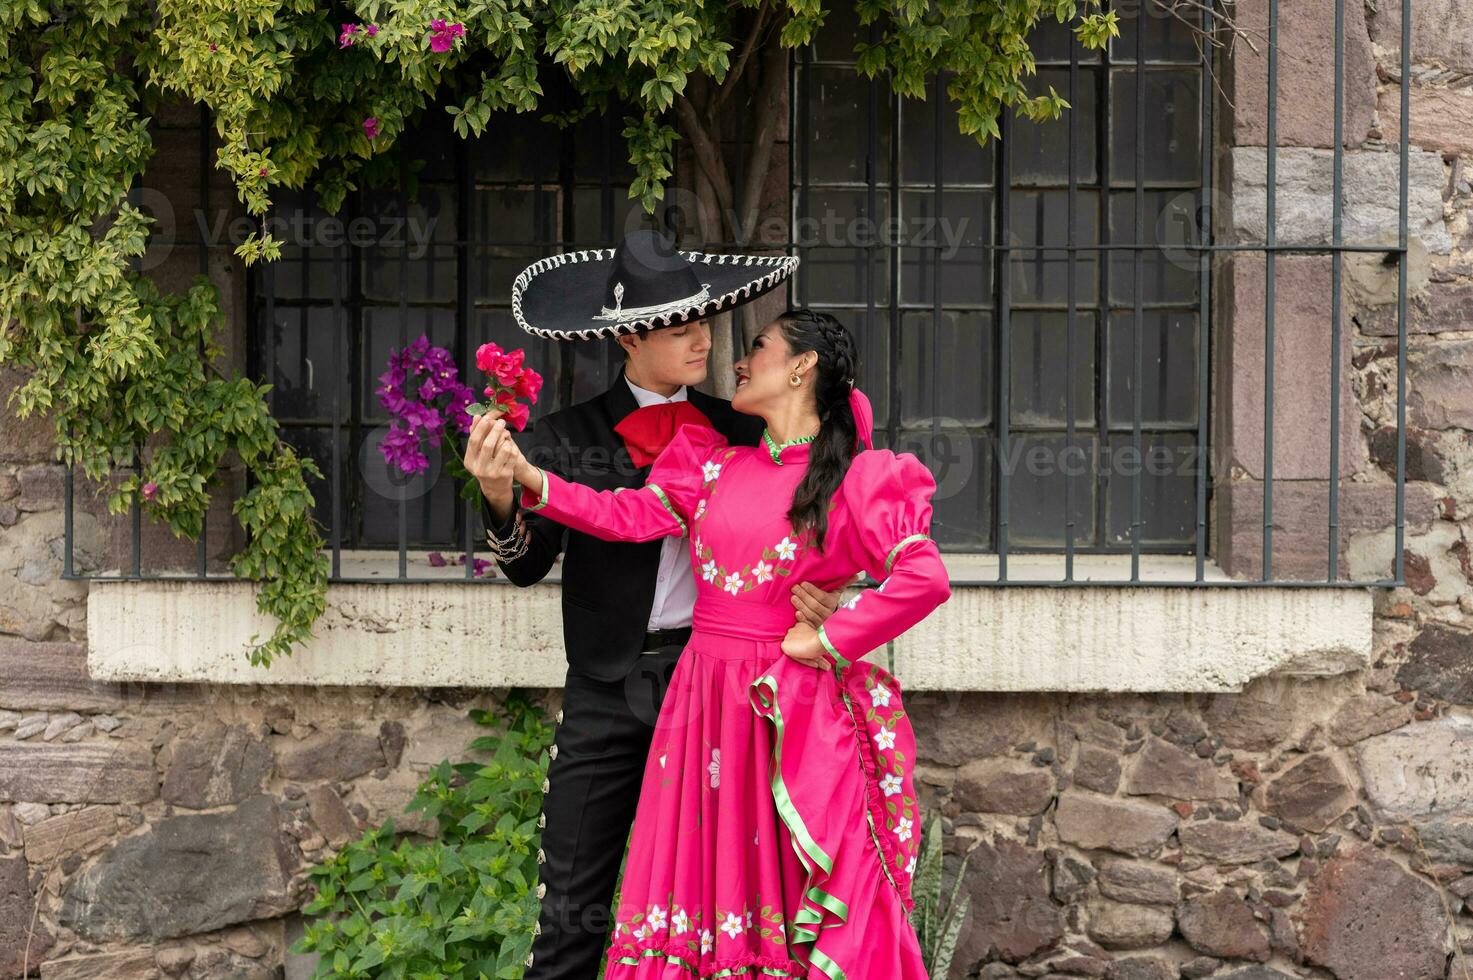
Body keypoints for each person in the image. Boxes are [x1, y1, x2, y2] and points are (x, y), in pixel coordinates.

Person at [472, 307, 952, 980]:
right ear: (629, 338)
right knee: (675, 884)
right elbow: (622, 516)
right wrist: (523, 481)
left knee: (770, 888)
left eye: (754, 345)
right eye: (684, 332)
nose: (727, 355)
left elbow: (917, 573)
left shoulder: (842, 470)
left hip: (774, 709)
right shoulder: (710, 461)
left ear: (800, 366)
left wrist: (830, 633)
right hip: (686, 700)